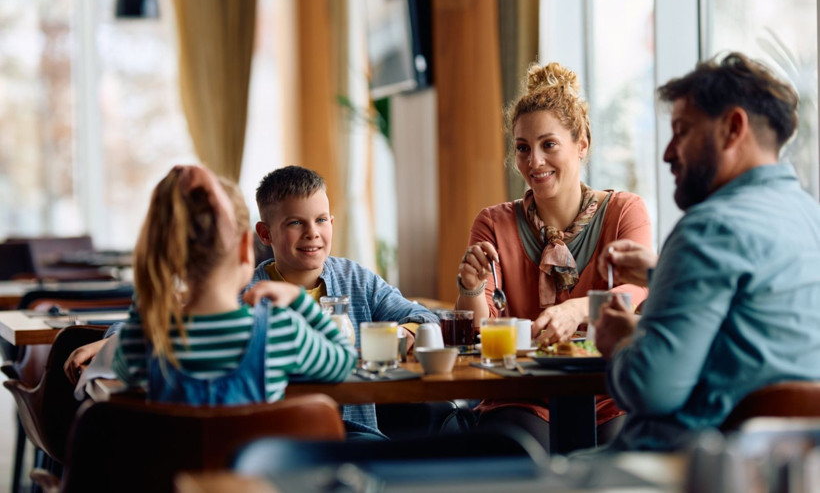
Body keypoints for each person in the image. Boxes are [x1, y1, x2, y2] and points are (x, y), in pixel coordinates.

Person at [595, 52, 820, 451]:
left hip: (686, 467)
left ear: (732, 128)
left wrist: (620, 342)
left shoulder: (708, 228)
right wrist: (661, 273)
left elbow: (651, 390)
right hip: (786, 468)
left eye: (681, 131)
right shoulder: (810, 217)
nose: (667, 153)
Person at [456, 62, 652, 450]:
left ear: (582, 144)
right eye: (523, 148)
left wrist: (578, 309)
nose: (534, 162)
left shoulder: (625, 211)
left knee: (623, 458)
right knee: (519, 450)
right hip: (521, 394)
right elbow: (480, 332)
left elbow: (642, 288)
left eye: (549, 145)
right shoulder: (492, 223)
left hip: (610, 395)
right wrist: (471, 287)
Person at [111, 165, 356, 404]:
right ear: (244, 247)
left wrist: (150, 289)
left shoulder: (146, 339)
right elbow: (345, 360)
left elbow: (122, 368)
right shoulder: (281, 330)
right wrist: (298, 299)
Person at [252, 165, 439, 437]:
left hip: (354, 431)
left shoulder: (356, 279)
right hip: (277, 435)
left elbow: (427, 317)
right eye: (295, 222)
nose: (312, 232)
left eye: (321, 220)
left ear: (332, 222)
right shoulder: (247, 293)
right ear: (265, 233)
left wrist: (404, 331)